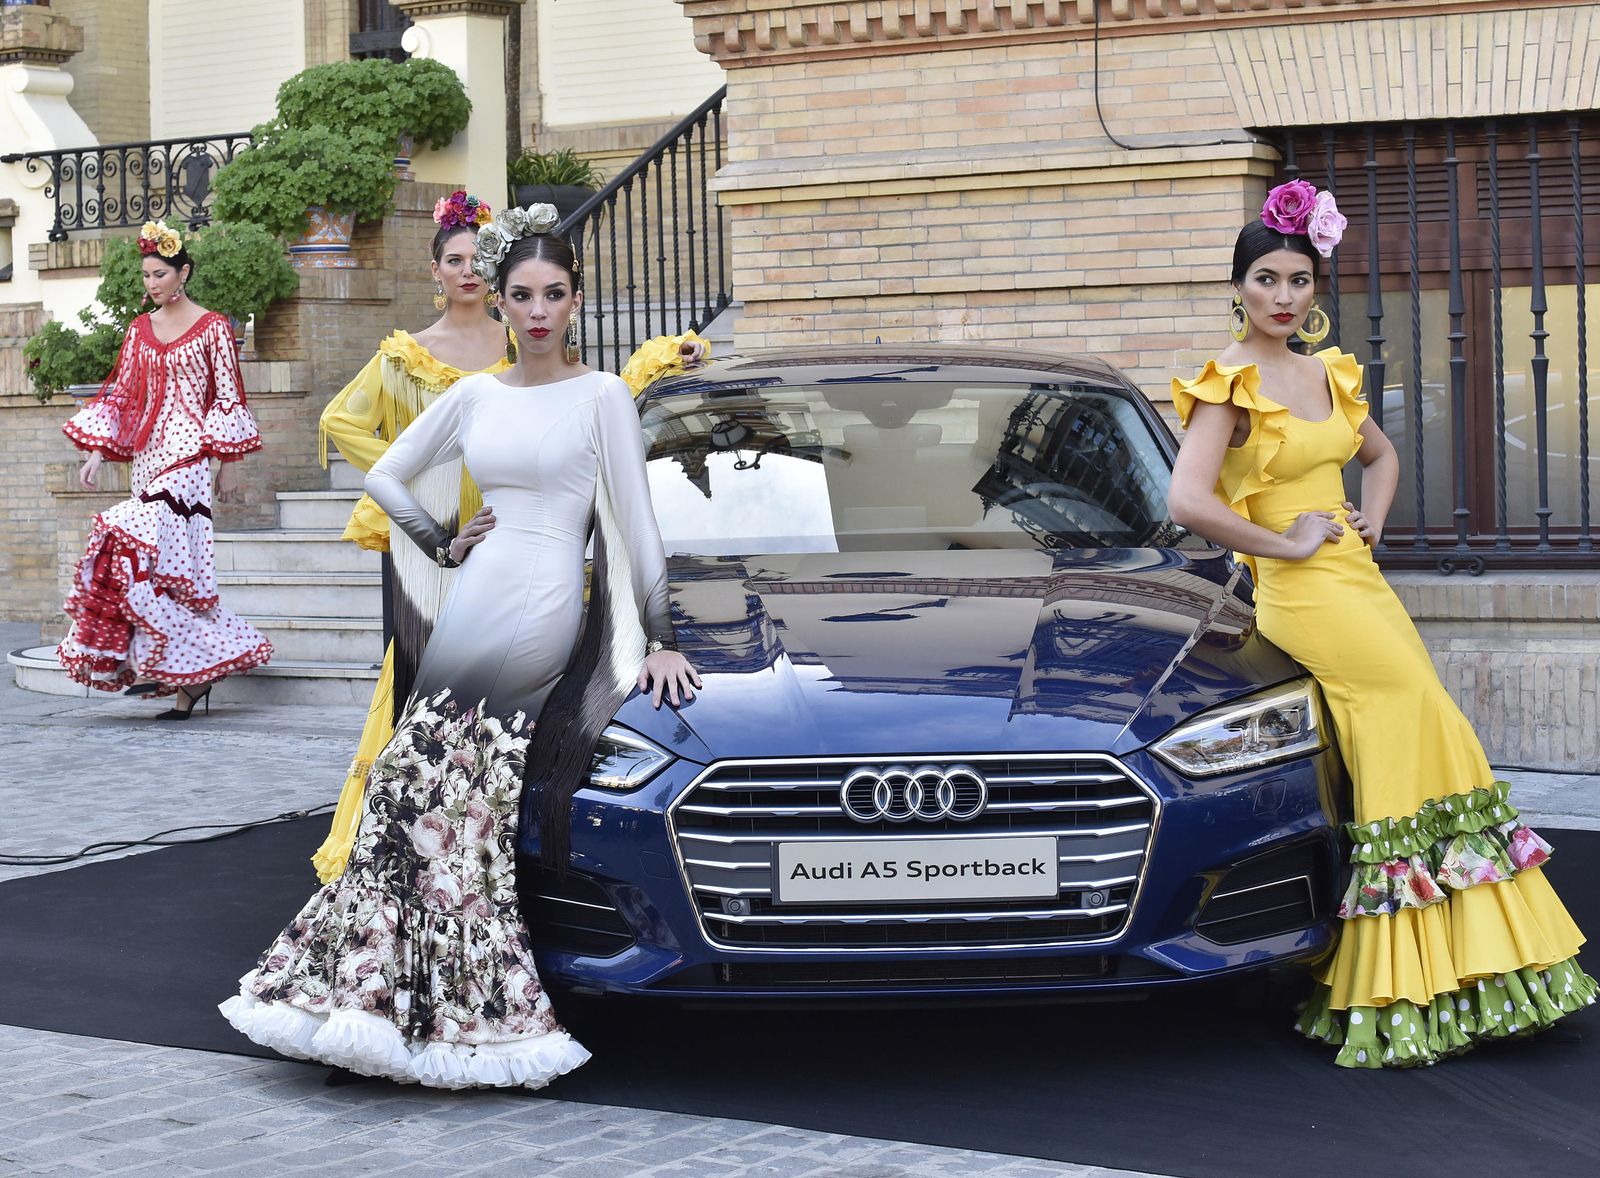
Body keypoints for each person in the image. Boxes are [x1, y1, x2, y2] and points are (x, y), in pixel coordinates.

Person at [221, 205, 701, 1089]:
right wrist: (441, 539)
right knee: (405, 788)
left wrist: (660, 635)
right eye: (523, 295)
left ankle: (470, 1015)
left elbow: (635, 521)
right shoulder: (475, 394)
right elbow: (383, 473)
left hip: (548, 598)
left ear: (577, 300)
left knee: (459, 800)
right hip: (479, 592)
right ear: (506, 303)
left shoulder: (601, 398)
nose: (539, 310)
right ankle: (377, 1003)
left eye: (554, 294)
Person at [1167, 180, 1594, 1068]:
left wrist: (1376, 517)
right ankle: (1405, 983)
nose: (1285, 296)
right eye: (1267, 279)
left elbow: (1383, 454)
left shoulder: (1328, 372)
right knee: (1407, 723)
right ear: (1238, 287)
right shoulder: (1228, 383)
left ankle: (1459, 968)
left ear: (1316, 289)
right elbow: (1187, 502)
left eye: (1300, 280)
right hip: (1306, 594)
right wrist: (1279, 543)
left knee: (1421, 723)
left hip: (1358, 581)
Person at [310, 190, 511, 883]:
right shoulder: (407, 356)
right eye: (454, 259)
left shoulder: (521, 342)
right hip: (430, 543)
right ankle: (399, 835)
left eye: (480, 257)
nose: (467, 270)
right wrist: (414, 490)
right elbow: (343, 422)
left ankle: (479, 832)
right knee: (421, 680)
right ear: (434, 271)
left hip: (505, 534)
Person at [58, 219, 271, 718]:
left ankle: (190, 671)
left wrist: (228, 464)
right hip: (147, 457)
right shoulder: (138, 330)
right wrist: (96, 452)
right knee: (162, 570)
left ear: (183, 273)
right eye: (146, 276)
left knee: (130, 533)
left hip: (191, 458)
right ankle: (188, 680)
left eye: (159, 274)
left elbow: (226, 395)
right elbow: (125, 394)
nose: (152, 283)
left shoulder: (215, 326)